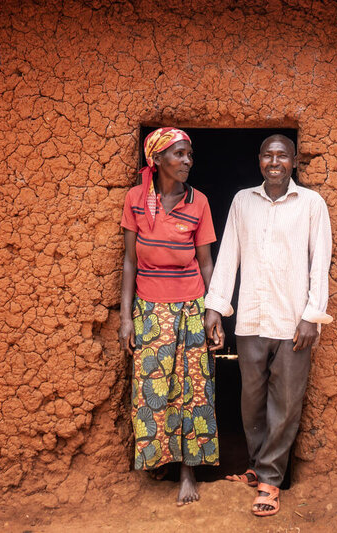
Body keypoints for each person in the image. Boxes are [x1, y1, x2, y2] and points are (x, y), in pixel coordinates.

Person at [204, 134, 332, 517]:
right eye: (268, 155)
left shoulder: (311, 204)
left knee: (286, 403)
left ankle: (271, 480)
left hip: (293, 322)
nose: (274, 161)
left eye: (282, 155)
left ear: (293, 161)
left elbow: (319, 263)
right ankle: (256, 467)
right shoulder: (244, 201)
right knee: (251, 403)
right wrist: (216, 307)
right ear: (259, 160)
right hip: (251, 320)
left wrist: (312, 316)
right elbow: (228, 255)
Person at [118, 127, 219, 506]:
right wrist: (127, 318)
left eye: (190, 155)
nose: (187, 162)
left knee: (193, 391)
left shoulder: (200, 202)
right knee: (154, 390)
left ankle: (188, 473)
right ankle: (160, 461)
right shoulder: (135, 200)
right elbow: (129, 261)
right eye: (179, 155)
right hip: (149, 308)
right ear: (156, 159)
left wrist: (214, 313)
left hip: (191, 307)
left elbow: (206, 263)